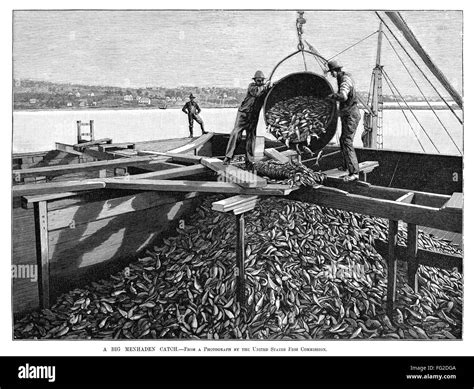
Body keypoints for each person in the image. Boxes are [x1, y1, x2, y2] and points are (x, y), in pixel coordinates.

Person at [223, 70, 271, 169]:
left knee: (251, 137)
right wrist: (266, 86)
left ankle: (249, 160)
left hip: (253, 116)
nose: (260, 82)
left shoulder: (264, 89)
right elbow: (257, 93)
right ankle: (228, 157)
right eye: (258, 80)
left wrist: (270, 87)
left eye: (262, 81)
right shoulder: (252, 87)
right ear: (255, 80)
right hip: (243, 114)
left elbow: (267, 96)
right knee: (236, 134)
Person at [327, 60, 361, 182]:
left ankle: (354, 173)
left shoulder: (345, 80)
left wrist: (332, 96)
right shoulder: (343, 78)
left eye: (332, 72)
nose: (331, 75)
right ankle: (346, 166)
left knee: (347, 141)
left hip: (351, 115)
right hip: (347, 114)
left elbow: (343, 96)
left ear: (336, 71)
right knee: (343, 140)